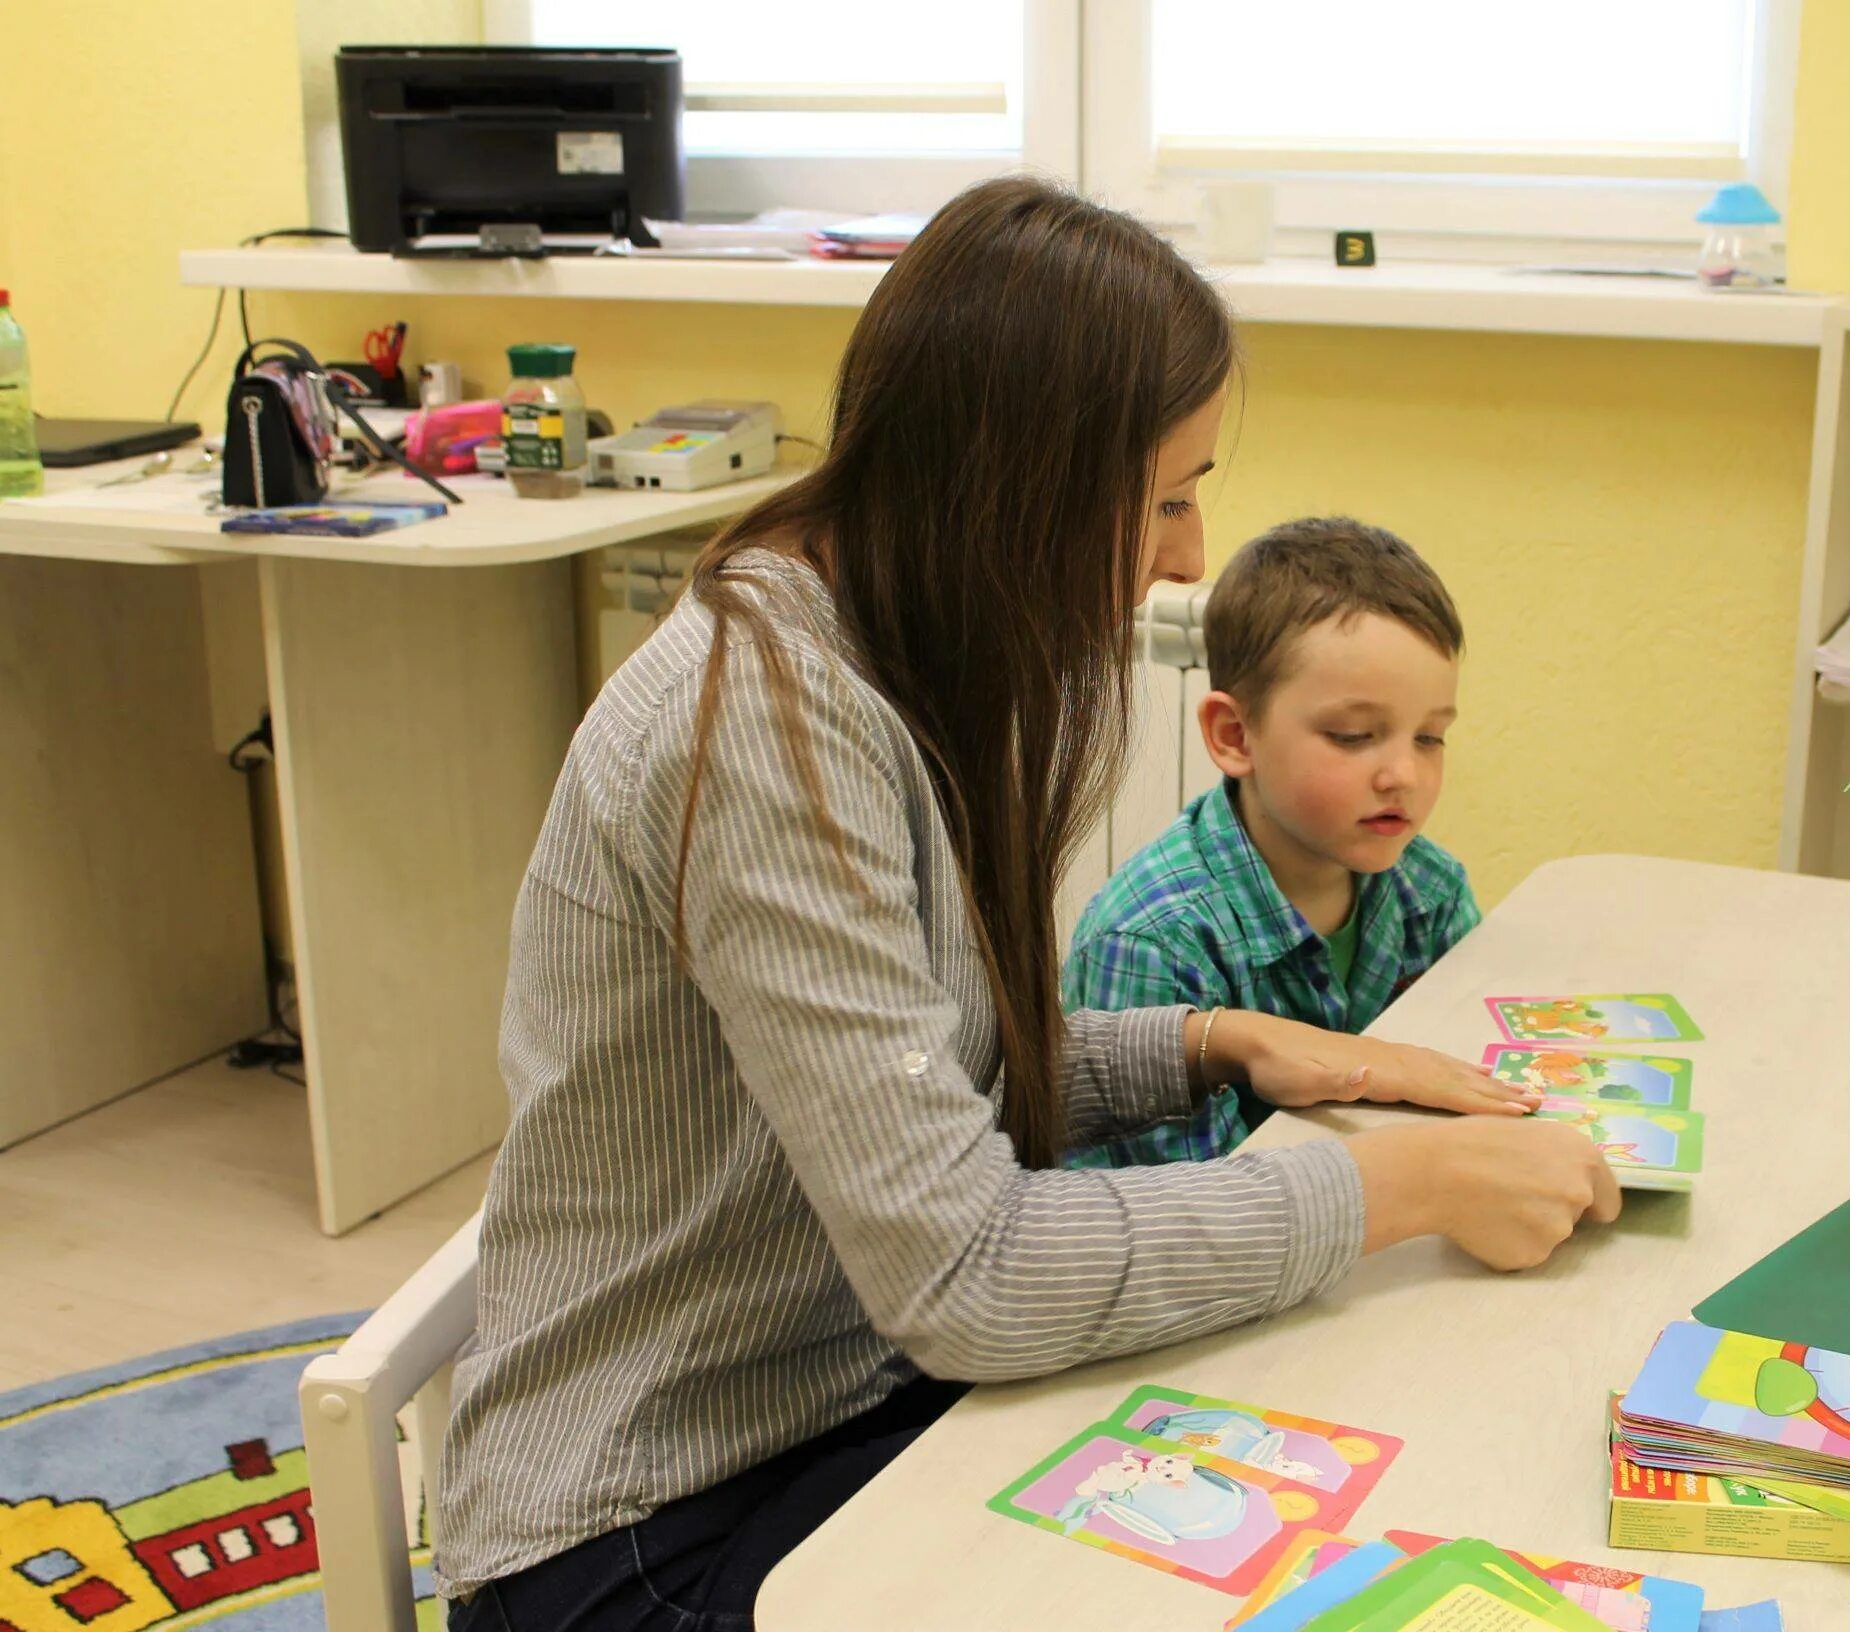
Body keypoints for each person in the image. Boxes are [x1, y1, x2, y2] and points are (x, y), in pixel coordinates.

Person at [436, 176, 1618, 1631]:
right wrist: (1394, 1188)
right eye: (1169, 497)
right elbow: (969, 1272)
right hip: (641, 1520)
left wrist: (1211, 1044)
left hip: (839, 1398)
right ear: (1023, 482)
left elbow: (926, 1077)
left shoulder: (888, 647)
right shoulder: (754, 720)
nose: (1187, 553)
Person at [1064, 517, 1480, 1166]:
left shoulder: (1430, 889)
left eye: (1429, 737)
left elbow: (1462, 1082)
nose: (1403, 774)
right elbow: (1179, 1219)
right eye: (1351, 735)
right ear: (1233, 735)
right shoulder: (1150, 943)